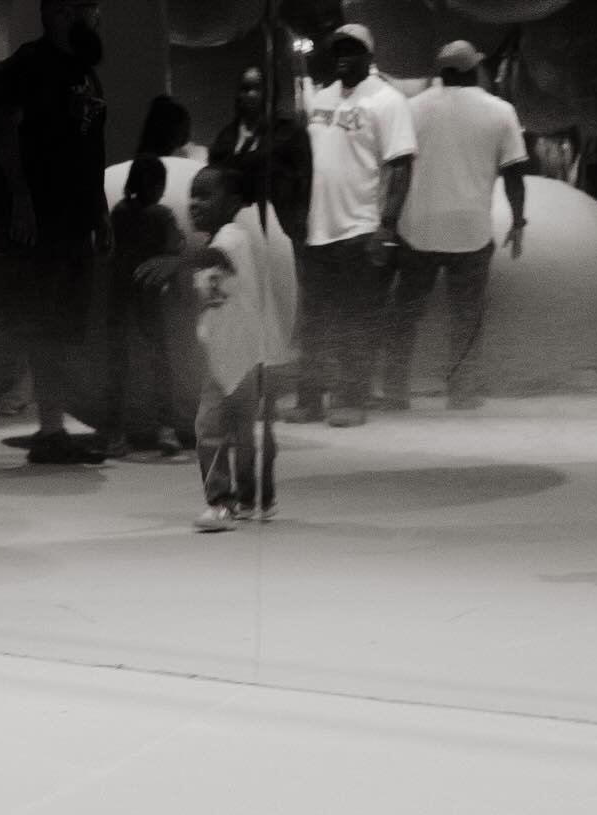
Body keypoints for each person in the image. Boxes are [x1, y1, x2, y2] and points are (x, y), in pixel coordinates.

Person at [0, 0, 111, 465]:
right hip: (28, 221)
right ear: (58, 13)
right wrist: (22, 199)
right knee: (9, 314)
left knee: (52, 326)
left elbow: (90, 148)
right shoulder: (27, 67)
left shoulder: (83, 73)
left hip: (68, 223)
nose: (93, 17)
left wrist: (100, 214)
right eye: (84, 9)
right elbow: (4, 130)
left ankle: (51, 432)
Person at [386, 40, 530, 411]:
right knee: (466, 316)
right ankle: (462, 391)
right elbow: (515, 173)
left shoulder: (410, 109)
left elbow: (395, 169)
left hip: (417, 227)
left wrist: (386, 220)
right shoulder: (501, 111)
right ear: (473, 70)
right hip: (471, 228)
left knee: (406, 314)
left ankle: (396, 388)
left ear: (442, 72)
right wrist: (518, 220)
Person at [139, 165, 282, 530]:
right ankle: (239, 500)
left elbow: (215, 259)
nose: (195, 204)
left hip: (248, 357)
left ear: (232, 202)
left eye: (205, 195)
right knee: (219, 429)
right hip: (223, 360)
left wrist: (178, 263)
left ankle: (235, 500)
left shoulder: (234, 236)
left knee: (231, 432)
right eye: (192, 196)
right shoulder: (213, 244)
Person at [289, 23, 416, 428]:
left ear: (369, 55)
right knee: (313, 320)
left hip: (360, 227)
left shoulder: (387, 100)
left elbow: (400, 165)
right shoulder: (322, 98)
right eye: (338, 49)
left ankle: (349, 398)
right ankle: (310, 399)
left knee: (354, 320)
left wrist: (387, 227)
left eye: (353, 50)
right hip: (317, 228)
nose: (344, 55)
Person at [100, 154, 185, 458]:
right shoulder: (162, 216)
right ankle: (166, 428)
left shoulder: (120, 211)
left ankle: (113, 433)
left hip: (118, 293)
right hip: (150, 295)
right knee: (160, 362)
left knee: (116, 366)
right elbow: (175, 251)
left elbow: (107, 250)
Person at [208, 65, 314, 250]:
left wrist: (299, 227)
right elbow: (215, 182)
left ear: (269, 93)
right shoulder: (226, 137)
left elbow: (305, 183)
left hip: (281, 229)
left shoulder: (290, 132)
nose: (251, 95)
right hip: (236, 233)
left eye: (257, 88)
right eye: (245, 89)